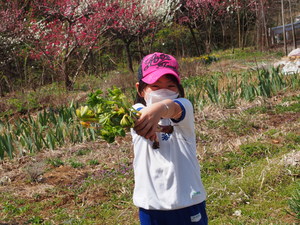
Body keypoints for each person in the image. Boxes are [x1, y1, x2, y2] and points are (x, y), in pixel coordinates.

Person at [131, 52, 208, 225]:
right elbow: (139, 116)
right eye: (156, 86)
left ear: (179, 88)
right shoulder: (136, 112)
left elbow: (173, 108)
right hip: (151, 207)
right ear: (140, 89)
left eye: (170, 86)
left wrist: (161, 107)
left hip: (188, 202)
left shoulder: (184, 108)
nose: (164, 91)